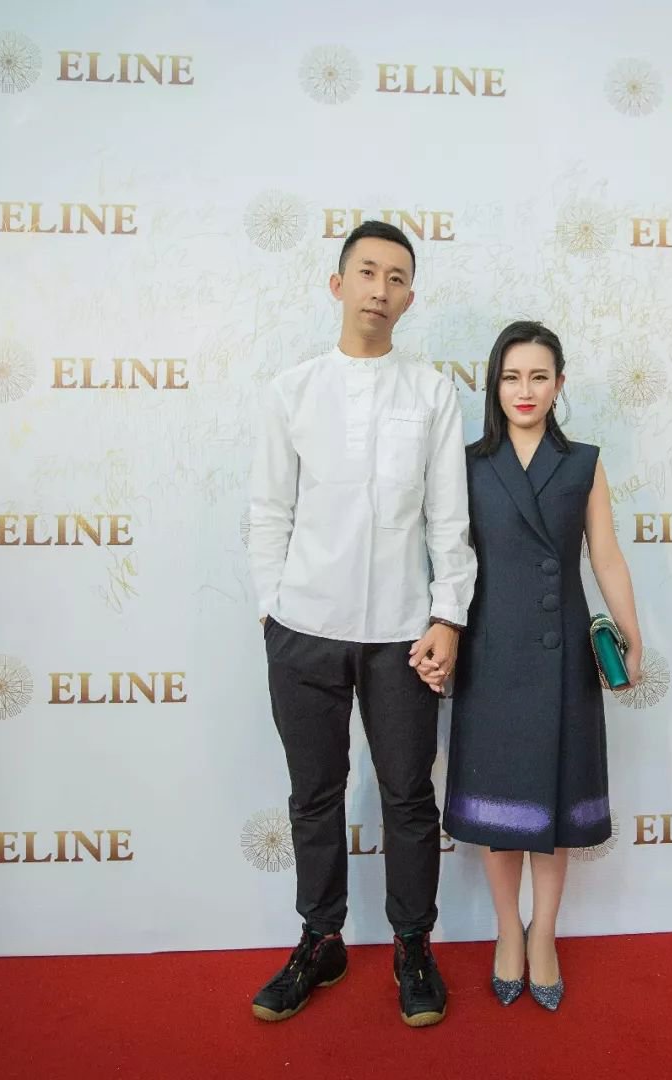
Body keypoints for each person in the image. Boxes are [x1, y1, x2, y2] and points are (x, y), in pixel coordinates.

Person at [247, 220, 476, 1028]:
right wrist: (272, 610)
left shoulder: (432, 393)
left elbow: (450, 521)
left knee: (409, 795)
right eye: (368, 272)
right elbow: (268, 510)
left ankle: (413, 945)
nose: (381, 289)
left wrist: (448, 615)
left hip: (404, 633)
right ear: (337, 284)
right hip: (304, 627)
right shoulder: (292, 391)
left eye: (397, 278)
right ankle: (321, 940)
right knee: (314, 795)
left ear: (410, 298)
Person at [419, 320, 643, 1011]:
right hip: (489, 652)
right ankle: (505, 932)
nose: (525, 390)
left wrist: (632, 634)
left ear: (559, 384)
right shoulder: (466, 464)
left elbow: (606, 555)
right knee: (501, 813)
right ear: (494, 385)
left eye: (539, 377)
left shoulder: (584, 463)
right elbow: (447, 560)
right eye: (512, 377)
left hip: (563, 651)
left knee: (554, 810)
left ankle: (542, 933)